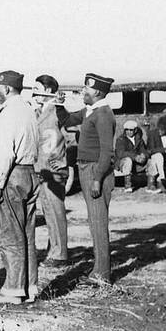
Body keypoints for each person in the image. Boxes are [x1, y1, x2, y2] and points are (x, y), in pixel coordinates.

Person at [0, 70, 40, 304]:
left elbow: (6, 153)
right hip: (29, 173)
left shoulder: (7, 114)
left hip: (12, 176)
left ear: (6, 89)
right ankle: (30, 286)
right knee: (27, 234)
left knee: (10, 235)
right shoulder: (26, 110)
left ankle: (13, 289)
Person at [65, 73, 117, 286]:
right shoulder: (90, 111)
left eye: (86, 89)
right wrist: (56, 104)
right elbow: (67, 119)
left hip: (96, 171)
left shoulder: (103, 114)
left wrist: (97, 179)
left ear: (96, 91)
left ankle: (102, 274)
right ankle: (99, 269)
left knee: (98, 223)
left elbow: (107, 152)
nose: (82, 92)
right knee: (94, 222)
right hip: (87, 168)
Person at [30, 74, 69, 266]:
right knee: (47, 212)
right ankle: (53, 248)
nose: (33, 92)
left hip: (53, 170)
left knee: (55, 211)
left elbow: (70, 131)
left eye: (37, 88)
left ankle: (60, 254)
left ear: (47, 91)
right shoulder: (36, 112)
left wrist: (62, 163)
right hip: (40, 169)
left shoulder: (57, 110)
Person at [114, 120, 149, 193]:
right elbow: (121, 153)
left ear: (135, 130)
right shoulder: (120, 139)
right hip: (122, 163)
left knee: (150, 161)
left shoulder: (139, 139)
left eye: (131, 130)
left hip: (136, 163)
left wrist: (144, 155)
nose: (129, 132)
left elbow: (144, 150)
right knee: (128, 160)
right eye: (127, 130)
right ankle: (128, 185)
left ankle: (152, 184)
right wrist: (135, 156)